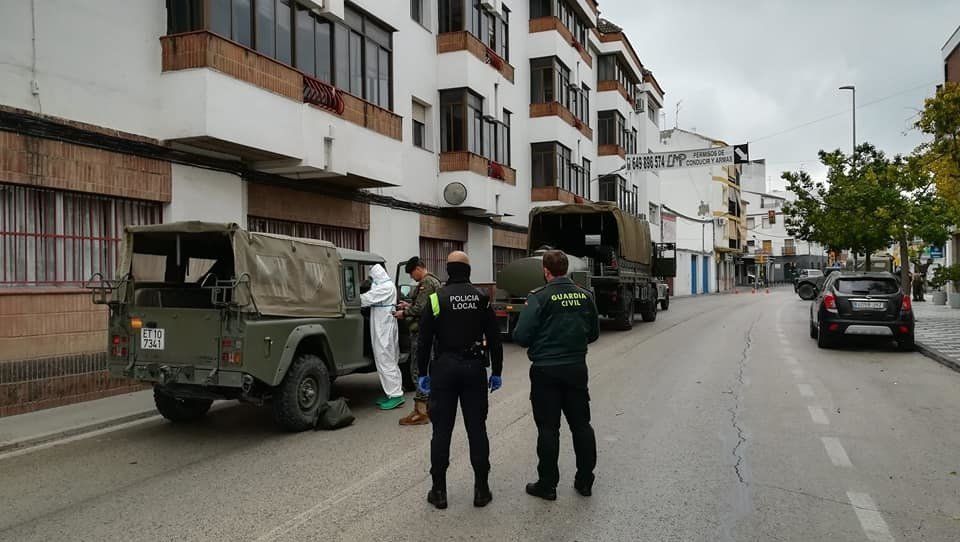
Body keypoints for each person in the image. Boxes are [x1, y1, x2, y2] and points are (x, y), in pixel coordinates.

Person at [416, 251, 503, 509]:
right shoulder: (481, 298)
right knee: (477, 429)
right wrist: (496, 371)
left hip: (443, 369)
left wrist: (423, 373)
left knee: (441, 431)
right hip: (474, 368)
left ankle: (439, 491)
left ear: (447, 270)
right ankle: (481, 490)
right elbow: (495, 339)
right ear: (468, 271)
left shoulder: (435, 299)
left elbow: (424, 341)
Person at [513, 250, 599, 501]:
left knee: (548, 429)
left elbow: (521, 336)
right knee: (581, 425)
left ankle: (547, 485)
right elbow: (593, 333)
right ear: (567, 269)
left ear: (545, 271)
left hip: (545, 370)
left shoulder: (539, 297)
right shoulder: (585, 295)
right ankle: (585, 481)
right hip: (575, 368)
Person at [394, 257, 442, 426]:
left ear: (419, 268)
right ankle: (430, 407)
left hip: (422, 332)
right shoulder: (434, 281)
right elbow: (428, 306)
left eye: (412, 273)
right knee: (428, 368)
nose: (412, 277)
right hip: (430, 332)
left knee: (418, 369)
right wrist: (408, 305)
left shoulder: (426, 283)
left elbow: (422, 309)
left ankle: (421, 411)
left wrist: (404, 313)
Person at [360, 264, 404, 411]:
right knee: (388, 359)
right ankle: (392, 393)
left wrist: (352, 295)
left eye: (372, 278)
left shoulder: (385, 287)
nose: (371, 281)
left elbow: (366, 299)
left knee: (385, 359)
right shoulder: (386, 285)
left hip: (383, 327)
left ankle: (396, 395)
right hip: (384, 325)